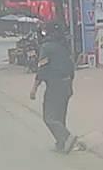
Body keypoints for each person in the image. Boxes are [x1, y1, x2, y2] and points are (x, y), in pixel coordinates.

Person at [29, 23, 80, 153]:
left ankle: (68, 138)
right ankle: (61, 144)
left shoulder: (46, 47)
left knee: (49, 117)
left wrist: (34, 88)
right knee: (60, 117)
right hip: (67, 84)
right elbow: (71, 67)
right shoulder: (64, 46)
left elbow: (42, 70)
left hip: (55, 85)